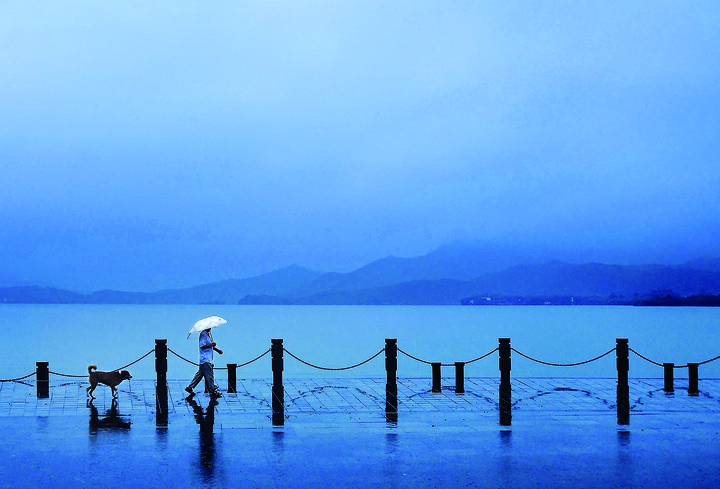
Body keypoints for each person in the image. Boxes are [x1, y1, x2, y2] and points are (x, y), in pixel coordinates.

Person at [185, 328, 224, 397]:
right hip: (206, 359)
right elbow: (202, 345)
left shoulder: (207, 335)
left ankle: (190, 387)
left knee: (200, 374)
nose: (210, 328)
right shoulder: (203, 334)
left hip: (206, 359)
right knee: (209, 374)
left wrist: (217, 350)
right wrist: (211, 344)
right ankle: (212, 390)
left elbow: (209, 346)